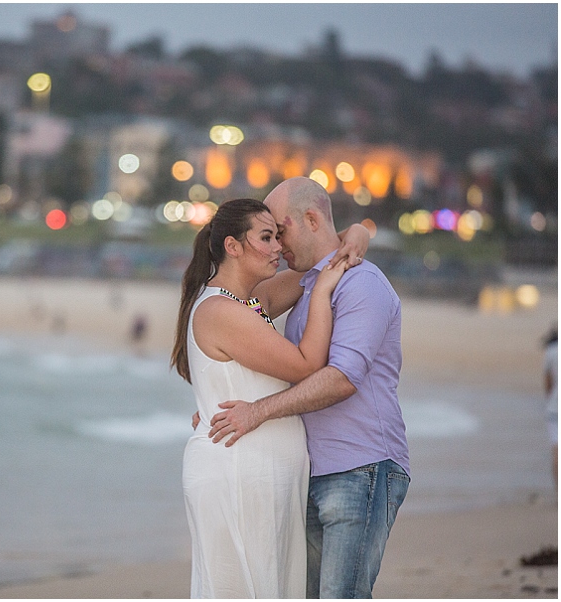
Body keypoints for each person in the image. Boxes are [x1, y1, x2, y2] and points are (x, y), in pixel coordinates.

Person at [207, 177, 410, 599]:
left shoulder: (361, 284)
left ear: (312, 219)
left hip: (362, 466)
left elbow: (341, 380)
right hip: (315, 474)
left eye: (280, 231)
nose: (277, 245)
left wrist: (256, 411)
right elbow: (239, 324)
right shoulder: (310, 286)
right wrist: (214, 394)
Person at [171, 197, 369, 598]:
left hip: (259, 473)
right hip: (239, 472)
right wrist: (323, 292)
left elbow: (328, 253)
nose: (278, 246)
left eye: (278, 236)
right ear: (233, 246)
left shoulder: (249, 303)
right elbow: (306, 364)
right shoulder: (220, 311)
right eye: (266, 237)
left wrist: (361, 233)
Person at [543, 327, 558, 486]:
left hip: (554, 407)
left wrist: (549, 400)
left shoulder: (551, 351)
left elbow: (547, 383)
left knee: (557, 452)